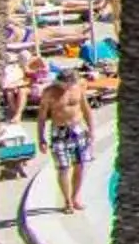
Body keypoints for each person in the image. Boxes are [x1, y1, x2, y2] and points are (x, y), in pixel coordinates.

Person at [36, 69, 96, 212]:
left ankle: (75, 197)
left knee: (80, 165)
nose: (69, 87)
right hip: (59, 131)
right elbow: (42, 116)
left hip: (78, 129)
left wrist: (91, 130)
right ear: (61, 82)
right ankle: (67, 201)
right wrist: (41, 138)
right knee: (63, 167)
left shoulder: (79, 87)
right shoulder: (49, 92)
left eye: (72, 83)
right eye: (67, 84)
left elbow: (86, 109)